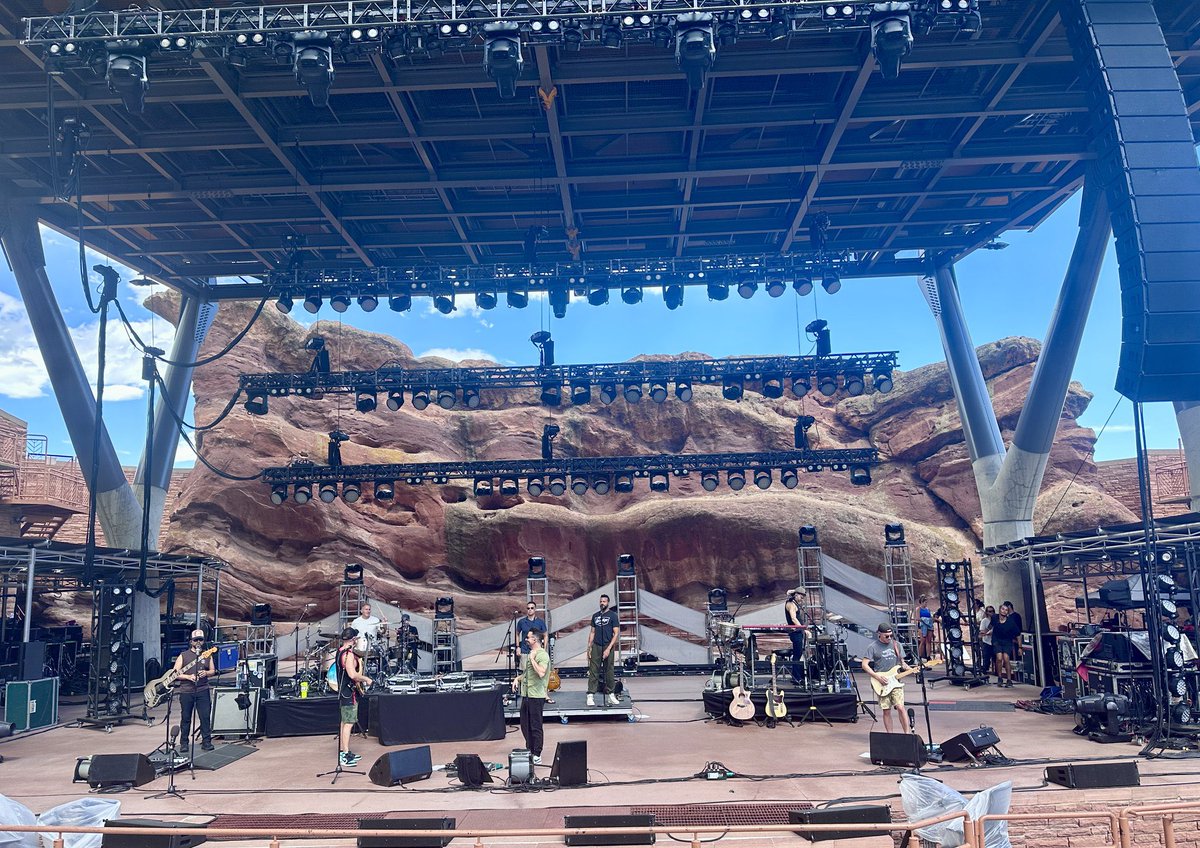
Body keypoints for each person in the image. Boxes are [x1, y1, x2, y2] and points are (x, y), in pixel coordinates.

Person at [861, 623, 912, 734]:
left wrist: (912, 670)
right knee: (886, 710)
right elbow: (864, 664)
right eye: (886, 636)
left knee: (900, 707)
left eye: (891, 635)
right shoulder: (873, 647)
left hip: (896, 682)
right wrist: (876, 676)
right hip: (881, 682)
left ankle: (907, 734)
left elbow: (902, 664)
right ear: (879, 634)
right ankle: (890, 735)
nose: (889, 638)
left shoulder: (897, 645)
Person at [173, 629, 216, 753]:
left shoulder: (207, 654)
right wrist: (188, 677)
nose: (198, 642)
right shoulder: (184, 655)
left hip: (202, 690)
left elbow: (213, 670)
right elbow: (174, 673)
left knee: (205, 716)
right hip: (186, 691)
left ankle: (206, 741)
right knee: (186, 717)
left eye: (200, 640)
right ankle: (184, 743)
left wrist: (206, 673)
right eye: (195, 640)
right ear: (191, 641)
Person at [512, 628, 550, 763]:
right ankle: (530, 749)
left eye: (528, 637)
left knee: (535, 725)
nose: (526, 640)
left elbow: (541, 673)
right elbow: (528, 674)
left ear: (535, 639)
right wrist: (518, 679)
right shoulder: (530, 654)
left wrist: (533, 659)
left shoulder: (541, 655)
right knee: (525, 724)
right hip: (527, 694)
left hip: (536, 695)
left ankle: (537, 754)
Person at [335, 626, 372, 767]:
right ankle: (344, 755)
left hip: (343, 691)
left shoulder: (339, 651)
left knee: (344, 722)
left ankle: (344, 751)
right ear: (353, 639)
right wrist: (366, 679)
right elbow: (352, 675)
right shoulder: (348, 654)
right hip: (348, 692)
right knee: (348, 723)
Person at [586, 594, 620, 707]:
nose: (602, 603)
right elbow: (592, 632)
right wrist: (589, 647)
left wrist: (609, 648)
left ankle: (611, 694)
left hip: (608, 645)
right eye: (601, 601)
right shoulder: (595, 616)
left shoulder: (613, 616)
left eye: (604, 601)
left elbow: (616, 634)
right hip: (596, 645)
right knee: (593, 670)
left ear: (608, 603)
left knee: (609, 670)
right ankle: (590, 695)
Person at [991, 602, 1022, 688]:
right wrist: (984, 632)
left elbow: (1018, 634)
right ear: (1000, 609)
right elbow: (991, 626)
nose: (1004, 611)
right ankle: (1000, 677)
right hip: (997, 640)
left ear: (1008, 612)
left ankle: (1009, 679)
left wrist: (1020, 647)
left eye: (1006, 610)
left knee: (1006, 658)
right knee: (999, 658)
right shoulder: (994, 617)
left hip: (1007, 641)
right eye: (1003, 609)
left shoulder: (1010, 622)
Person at [783, 588, 808, 684]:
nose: (802, 599)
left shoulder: (794, 603)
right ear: (796, 595)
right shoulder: (790, 604)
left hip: (798, 632)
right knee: (797, 655)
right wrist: (803, 629)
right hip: (795, 632)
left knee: (798, 654)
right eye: (801, 597)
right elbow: (793, 618)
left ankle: (796, 676)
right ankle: (796, 677)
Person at [978, 603, 996, 682]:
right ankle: (984, 673)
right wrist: (988, 632)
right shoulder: (984, 621)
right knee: (986, 658)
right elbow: (982, 631)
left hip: (995, 641)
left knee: (996, 658)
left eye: (992, 611)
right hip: (986, 641)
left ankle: (996, 671)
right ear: (987, 612)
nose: (991, 613)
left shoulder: (996, 620)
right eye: (989, 611)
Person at [916, 595, 934, 660]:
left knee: (929, 641)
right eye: (925, 602)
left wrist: (931, 620)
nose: (926, 604)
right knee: (922, 641)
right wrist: (924, 620)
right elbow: (917, 618)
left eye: (927, 602)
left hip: (929, 626)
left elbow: (931, 617)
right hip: (922, 626)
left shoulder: (928, 609)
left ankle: (928, 656)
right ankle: (920, 656)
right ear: (922, 602)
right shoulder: (918, 609)